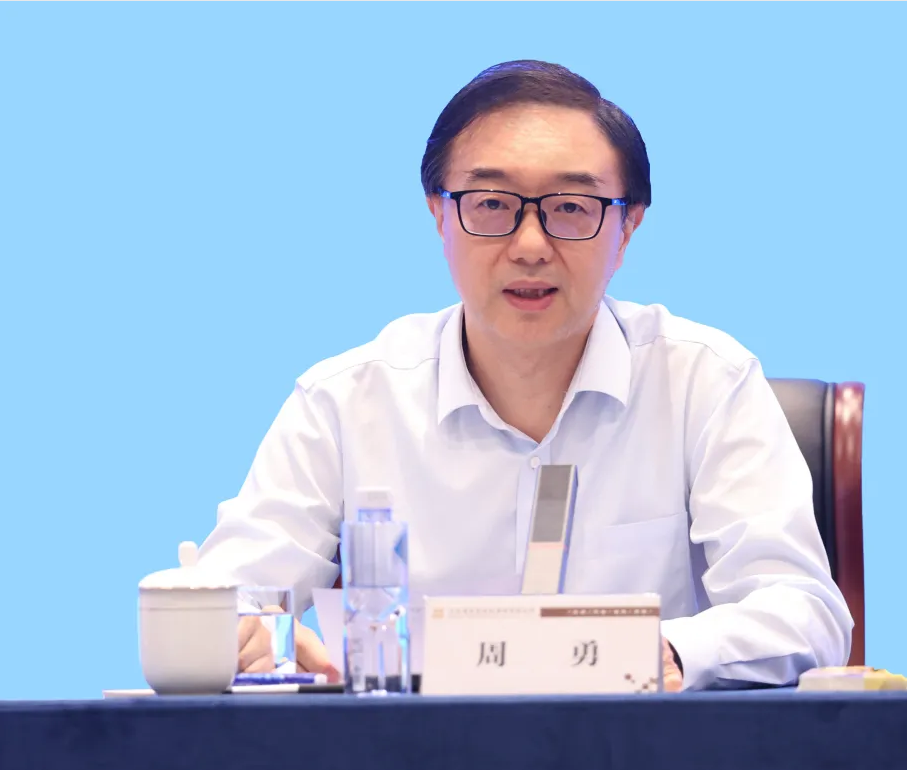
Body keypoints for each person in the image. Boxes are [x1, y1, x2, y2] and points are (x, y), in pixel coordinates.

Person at [199, 59, 854, 692]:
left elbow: (805, 612)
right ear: (439, 215)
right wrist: (253, 637)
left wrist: (657, 653)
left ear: (627, 226)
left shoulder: (705, 383)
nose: (531, 244)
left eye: (570, 207)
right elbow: (223, 600)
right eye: (491, 203)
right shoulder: (345, 402)